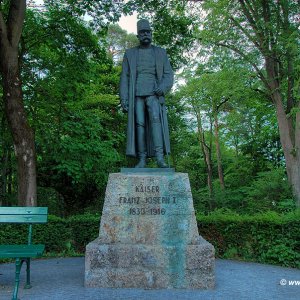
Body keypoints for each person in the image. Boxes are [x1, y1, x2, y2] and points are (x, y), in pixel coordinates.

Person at [120, 19, 174, 168]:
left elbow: (168, 74)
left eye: (148, 32)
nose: (145, 35)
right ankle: (142, 159)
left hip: (154, 94)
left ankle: (159, 158)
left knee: (156, 122)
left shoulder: (161, 52)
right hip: (136, 94)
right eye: (142, 33)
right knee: (139, 125)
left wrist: (162, 88)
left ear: (151, 34)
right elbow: (125, 77)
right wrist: (124, 99)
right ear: (138, 36)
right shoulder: (130, 54)